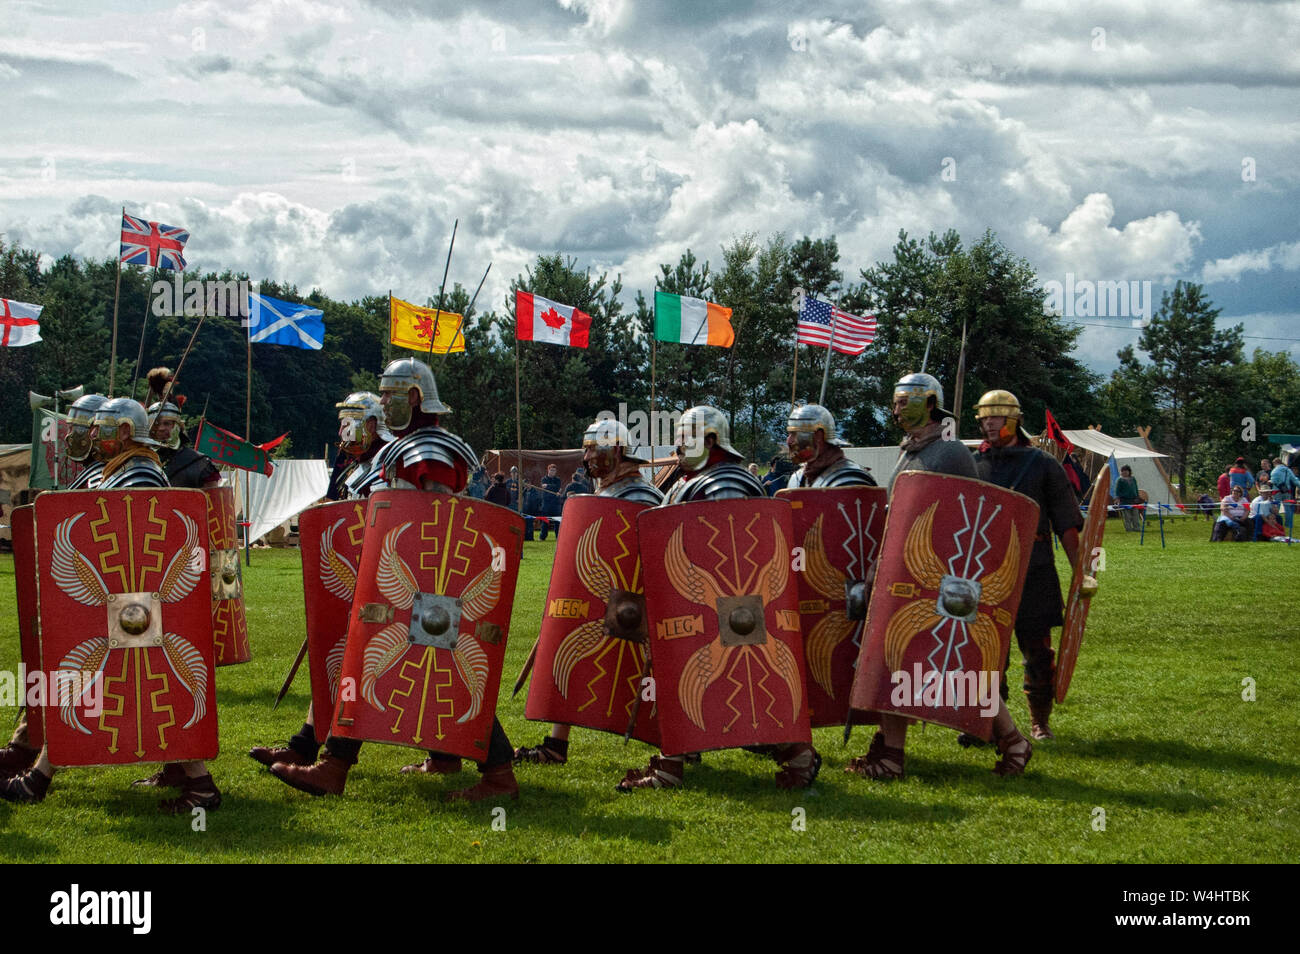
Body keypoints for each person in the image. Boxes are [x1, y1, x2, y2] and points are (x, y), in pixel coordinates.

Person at [268, 357, 519, 802]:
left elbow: (437, 523)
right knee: (393, 665)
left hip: (426, 586)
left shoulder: (429, 451)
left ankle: (336, 767)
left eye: (389, 395)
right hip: (407, 584)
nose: (382, 403)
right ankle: (445, 761)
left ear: (415, 398)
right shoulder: (410, 446)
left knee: (396, 665)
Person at [1, 398, 222, 813]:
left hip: (136, 608)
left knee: (93, 681)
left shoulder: (139, 474)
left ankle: (36, 779)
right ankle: (36, 776)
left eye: (103, 428)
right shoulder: (122, 471)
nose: (95, 436)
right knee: (109, 683)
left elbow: (135, 549)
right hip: (124, 608)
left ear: (122, 431)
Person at [617, 406, 819, 792]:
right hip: (694, 603)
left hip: (729, 610)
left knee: (744, 680)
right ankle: (680, 754)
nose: (677, 445)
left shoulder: (726, 484)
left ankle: (796, 753)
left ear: (710, 441)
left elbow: (733, 557)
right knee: (684, 673)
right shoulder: (687, 481)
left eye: (686, 437)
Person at [846, 374, 1033, 779]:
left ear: (930, 403)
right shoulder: (910, 452)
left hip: (935, 580)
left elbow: (968, 521)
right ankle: (890, 750)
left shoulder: (950, 454)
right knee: (894, 658)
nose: (895, 410)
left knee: (955, 668)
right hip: (903, 575)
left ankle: (1010, 740)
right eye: (894, 402)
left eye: (903, 402)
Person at [248, 391, 389, 770]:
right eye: (342, 420)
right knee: (340, 659)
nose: (344, 429)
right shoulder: (351, 464)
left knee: (363, 666)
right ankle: (309, 747)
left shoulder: (389, 463)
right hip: (353, 578)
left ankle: (324, 756)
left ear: (373, 423)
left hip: (385, 582)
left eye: (352, 420)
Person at [514, 418, 663, 766]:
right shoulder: (600, 495)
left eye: (596, 447)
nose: (587, 456)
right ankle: (555, 745)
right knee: (571, 647)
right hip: (600, 598)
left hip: (638, 606)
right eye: (586, 448)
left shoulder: (643, 497)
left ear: (620, 451)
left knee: (657, 670)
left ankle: (678, 745)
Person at [0, 393, 108, 777]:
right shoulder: (95, 471)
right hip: (80, 591)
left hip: (105, 598)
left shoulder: (121, 472)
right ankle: (24, 744)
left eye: (82, 430)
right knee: (49, 670)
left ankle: (32, 757)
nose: (74, 437)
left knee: (63, 674)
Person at [970, 390, 1086, 743]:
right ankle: (986, 724)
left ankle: (1040, 722)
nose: (988, 424)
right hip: (985, 572)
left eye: (995, 418)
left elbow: (1066, 523)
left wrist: (1080, 572)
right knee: (988, 654)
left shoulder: (1042, 464)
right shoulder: (974, 464)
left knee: (1037, 650)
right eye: (984, 419)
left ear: (1013, 420)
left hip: (1033, 569)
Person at [784, 403, 875, 488]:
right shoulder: (800, 477)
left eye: (794, 434)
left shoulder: (850, 480)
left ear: (818, 436)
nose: (789, 440)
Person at [1113, 464, 1142, 531]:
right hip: (1124, 500)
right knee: (1127, 516)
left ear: (1129, 471)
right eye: (1123, 471)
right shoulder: (1120, 480)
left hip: (1133, 500)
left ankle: (1137, 528)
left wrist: (1137, 496)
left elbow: (1135, 488)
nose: (1124, 472)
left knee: (1135, 515)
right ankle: (1128, 528)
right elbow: (1117, 490)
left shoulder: (1133, 479)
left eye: (1126, 471)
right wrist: (1117, 498)